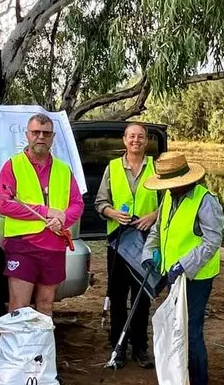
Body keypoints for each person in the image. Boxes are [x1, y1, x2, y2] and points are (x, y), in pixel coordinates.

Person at [144, 152, 224, 385]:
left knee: (191, 330)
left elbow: (212, 242)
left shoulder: (206, 200)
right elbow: (157, 229)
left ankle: (199, 379)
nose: (169, 188)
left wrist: (184, 265)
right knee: (176, 327)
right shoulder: (169, 196)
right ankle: (181, 374)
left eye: (172, 184)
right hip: (173, 274)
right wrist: (149, 254)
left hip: (196, 277)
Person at [0, 112, 83, 316]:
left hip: (54, 245)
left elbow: (77, 203)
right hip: (23, 244)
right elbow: (5, 205)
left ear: (53, 137)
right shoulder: (13, 165)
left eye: (46, 133)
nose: (41, 137)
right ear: (27, 135)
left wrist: (62, 218)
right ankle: (16, 349)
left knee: (46, 305)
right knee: (19, 305)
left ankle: (42, 348)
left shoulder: (63, 169)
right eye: (36, 132)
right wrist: (44, 211)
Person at [94, 122, 159, 368]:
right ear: (124, 140)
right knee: (118, 296)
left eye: (140, 137)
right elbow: (100, 202)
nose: (136, 141)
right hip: (119, 243)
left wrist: (153, 216)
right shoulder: (112, 168)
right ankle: (118, 347)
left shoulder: (157, 168)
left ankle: (140, 348)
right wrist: (112, 213)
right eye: (132, 136)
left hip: (146, 241)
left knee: (142, 297)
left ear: (146, 141)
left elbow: (169, 203)